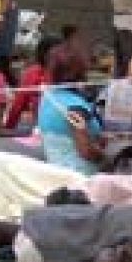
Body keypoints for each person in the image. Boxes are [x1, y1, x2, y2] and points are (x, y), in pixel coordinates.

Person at [37, 45, 102, 175]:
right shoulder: (75, 107)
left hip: (54, 171)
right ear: (80, 71)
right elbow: (86, 151)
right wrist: (110, 156)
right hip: (80, 177)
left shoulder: (47, 97)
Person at [5, 34, 58, 132]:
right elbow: (18, 105)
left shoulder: (67, 74)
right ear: (44, 53)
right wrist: (9, 129)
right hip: (37, 129)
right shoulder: (32, 74)